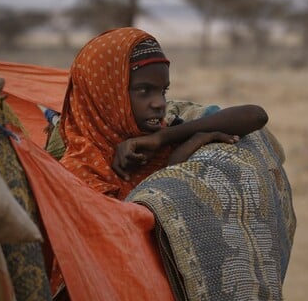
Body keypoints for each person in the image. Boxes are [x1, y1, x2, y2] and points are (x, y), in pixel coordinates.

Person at [58, 27, 268, 200]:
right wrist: (175, 166)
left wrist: (163, 138)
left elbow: (256, 116)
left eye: (163, 91)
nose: (160, 103)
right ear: (105, 95)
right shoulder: (79, 172)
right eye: (144, 90)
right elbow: (125, 238)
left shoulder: (160, 136)